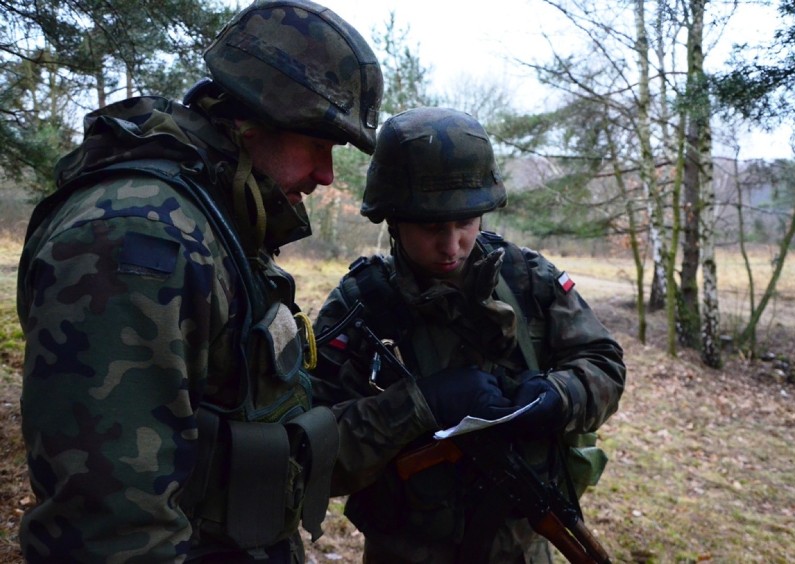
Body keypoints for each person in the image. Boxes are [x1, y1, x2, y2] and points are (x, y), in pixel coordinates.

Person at [15, 0, 382, 561]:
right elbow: (114, 531)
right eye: (319, 143)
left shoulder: (214, 214)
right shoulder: (139, 238)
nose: (327, 174)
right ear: (255, 120)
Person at [310, 107, 627, 563]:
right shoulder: (361, 304)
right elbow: (313, 453)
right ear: (393, 221)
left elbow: (604, 364)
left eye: (466, 222)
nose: (452, 244)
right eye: (432, 227)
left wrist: (556, 397)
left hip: (523, 546)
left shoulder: (527, 279)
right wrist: (420, 405)